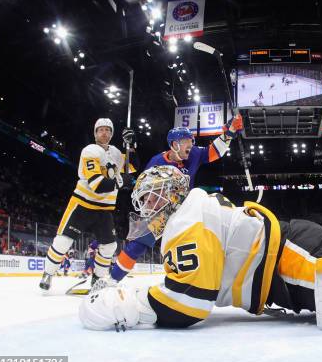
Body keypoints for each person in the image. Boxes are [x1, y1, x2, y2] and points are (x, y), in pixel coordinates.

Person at [79, 165, 322, 330]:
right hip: (284, 261)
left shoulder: (187, 220)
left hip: (291, 255)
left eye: (150, 199)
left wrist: (130, 304)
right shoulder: (189, 214)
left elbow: (190, 302)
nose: (147, 209)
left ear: (171, 193)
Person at [97, 115, 244, 288]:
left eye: (192, 140)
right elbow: (144, 189)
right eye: (187, 141)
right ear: (175, 145)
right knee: (138, 243)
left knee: (210, 234)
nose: (191, 144)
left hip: (188, 208)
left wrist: (229, 133)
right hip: (164, 209)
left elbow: (213, 152)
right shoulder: (157, 162)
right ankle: (112, 280)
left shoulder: (194, 154)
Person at [38, 119, 136, 291]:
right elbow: (96, 184)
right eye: (100, 130)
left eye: (107, 130)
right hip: (83, 204)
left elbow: (133, 167)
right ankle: (48, 272)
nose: (104, 133)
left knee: (110, 246)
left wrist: (131, 145)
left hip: (104, 209)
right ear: (95, 133)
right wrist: (120, 183)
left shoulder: (115, 153)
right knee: (63, 242)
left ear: (111, 134)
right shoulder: (90, 151)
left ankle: (97, 279)